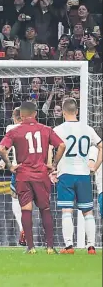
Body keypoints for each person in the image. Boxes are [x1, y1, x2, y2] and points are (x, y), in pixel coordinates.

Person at [0, 101, 65, 254]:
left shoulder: (15, 131)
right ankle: (49, 247)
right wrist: (54, 164)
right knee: (45, 209)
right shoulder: (46, 129)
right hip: (41, 174)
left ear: (21, 115)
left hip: (23, 175)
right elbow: (61, 145)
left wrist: (9, 165)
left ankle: (31, 247)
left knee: (26, 209)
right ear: (35, 114)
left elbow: (1, 148)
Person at [53, 98, 102, 255]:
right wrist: (95, 166)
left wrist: (51, 167)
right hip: (84, 175)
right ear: (77, 111)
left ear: (63, 112)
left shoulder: (58, 129)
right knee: (88, 212)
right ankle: (91, 247)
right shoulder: (87, 129)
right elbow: (101, 146)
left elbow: (49, 148)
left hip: (66, 173)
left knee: (67, 210)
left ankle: (69, 246)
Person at [0, 107, 26, 246]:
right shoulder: (38, 129)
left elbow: (7, 147)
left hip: (18, 168)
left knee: (15, 198)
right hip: (36, 169)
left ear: (14, 118)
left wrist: (4, 161)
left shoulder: (11, 128)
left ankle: (22, 227)